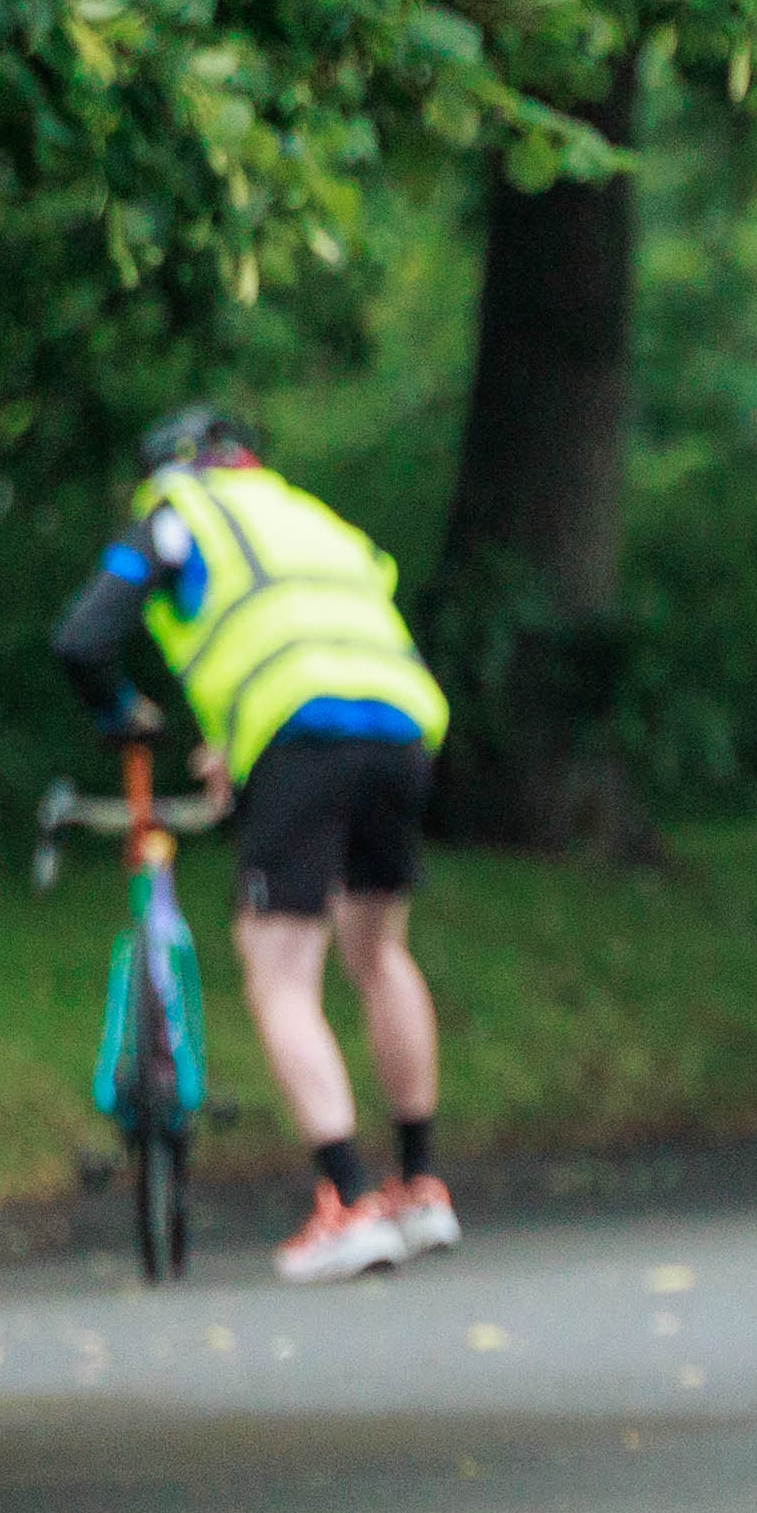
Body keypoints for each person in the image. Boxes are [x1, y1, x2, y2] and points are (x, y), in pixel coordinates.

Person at [50, 403, 456, 1280]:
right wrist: (242, 744)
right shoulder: (314, 519)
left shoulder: (176, 518)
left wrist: (122, 714)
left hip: (300, 732)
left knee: (280, 974)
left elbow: (82, 639)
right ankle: (419, 1187)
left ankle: (344, 1201)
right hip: (402, 723)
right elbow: (315, 636)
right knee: (381, 952)